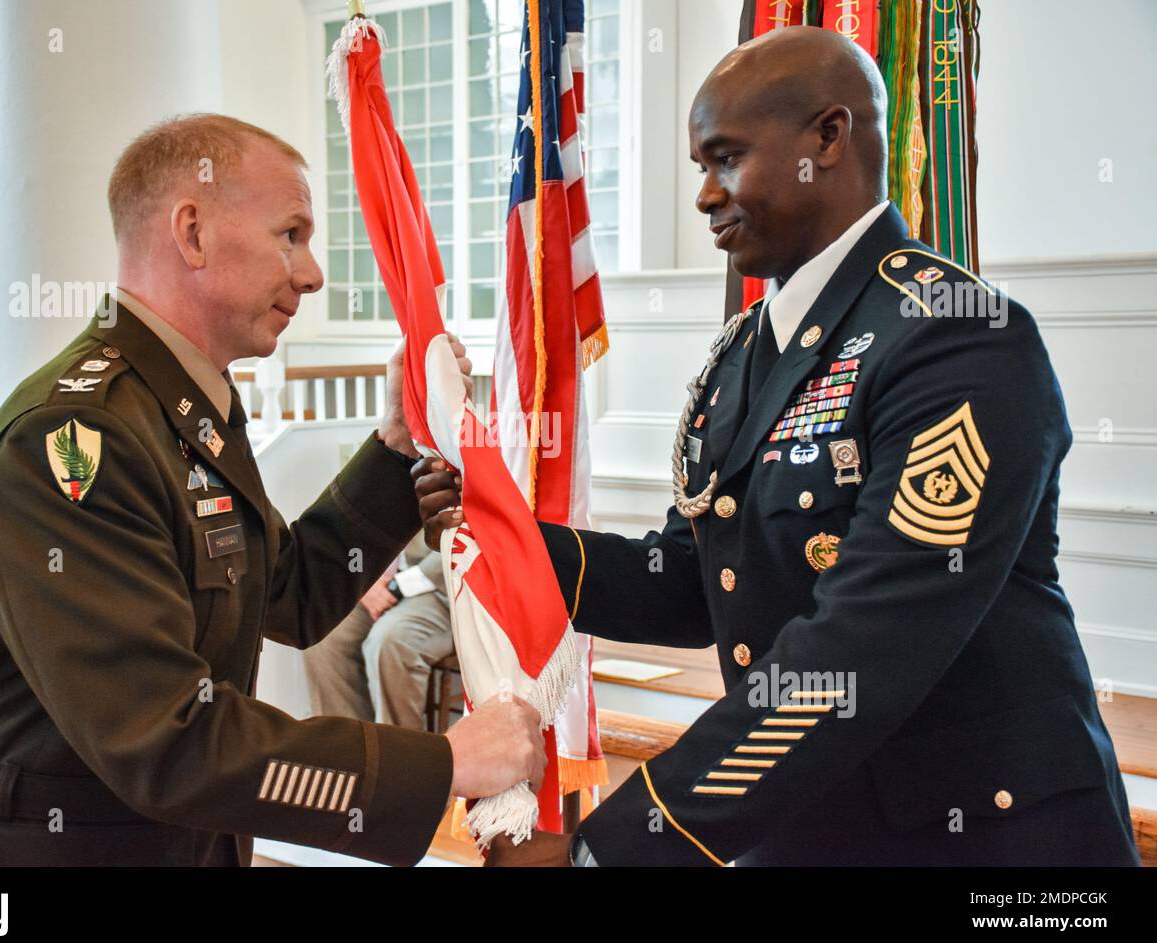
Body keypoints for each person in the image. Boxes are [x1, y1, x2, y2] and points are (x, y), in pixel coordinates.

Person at [415, 28, 1140, 866]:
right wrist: (512, 543)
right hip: (805, 825)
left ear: (827, 139)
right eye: (700, 167)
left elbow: (863, 644)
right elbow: (695, 580)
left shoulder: (955, 338)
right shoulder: (743, 355)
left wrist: (617, 843)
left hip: (982, 842)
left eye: (725, 159)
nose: (705, 196)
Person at [0, 113, 544, 868]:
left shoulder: (181, 410)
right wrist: (445, 763)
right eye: (291, 234)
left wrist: (395, 447)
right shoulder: (73, 442)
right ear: (193, 232)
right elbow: (166, 743)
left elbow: (291, 593)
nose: (312, 273)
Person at [304, 533, 457, 729]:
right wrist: (359, 579)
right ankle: (345, 747)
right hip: (375, 580)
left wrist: (399, 586)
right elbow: (343, 523)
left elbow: (473, 530)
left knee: (390, 640)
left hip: (441, 585)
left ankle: (399, 752)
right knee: (323, 631)